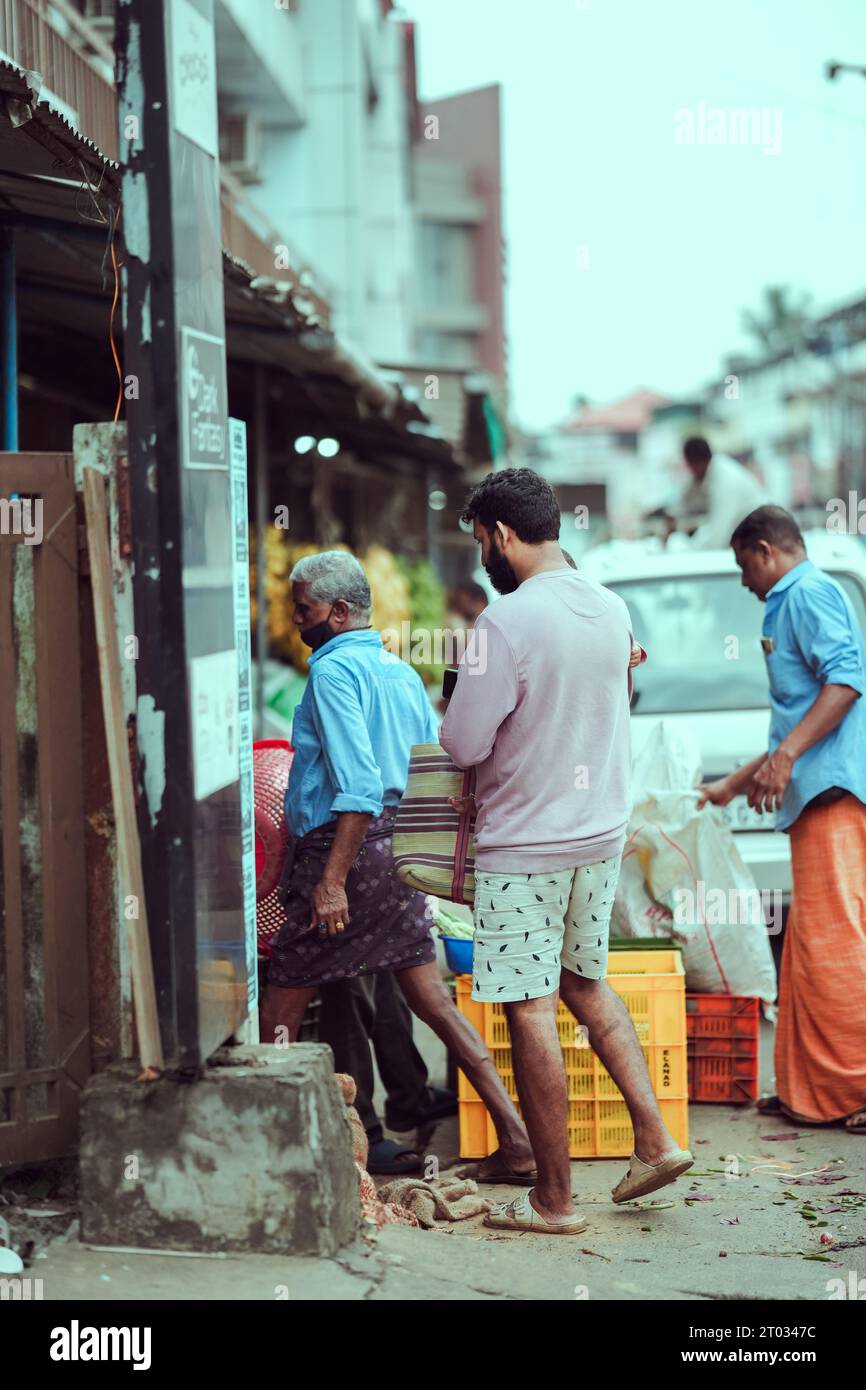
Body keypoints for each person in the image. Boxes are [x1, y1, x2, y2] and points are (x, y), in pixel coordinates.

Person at [439, 468, 693, 1235]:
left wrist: (462, 691)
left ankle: (553, 1201)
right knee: (587, 986)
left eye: (482, 538)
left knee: (530, 1009)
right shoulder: (610, 606)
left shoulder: (504, 623)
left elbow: (462, 742)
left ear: (502, 535)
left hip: (526, 846)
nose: (483, 553)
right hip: (599, 835)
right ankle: (655, 1138)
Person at [259, 550, 536, 1182]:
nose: (296, 620)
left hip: (344, 854)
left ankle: (267, 1155)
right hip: (398, 855)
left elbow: (357, 787)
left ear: (337, 612)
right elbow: (430, 774)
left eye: (303, 610)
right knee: (435, 1005)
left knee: (280, 1008)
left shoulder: (332, 674)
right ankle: (518, 1142)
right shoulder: (398, 671)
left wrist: (331, 881)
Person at [698, 506, 866, 1133]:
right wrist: (733, 785)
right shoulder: (789, 599)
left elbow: (846, 682)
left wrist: (788, 758)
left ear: (767, 551)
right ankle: (810, 1091)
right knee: (807, 947)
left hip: (832, 794)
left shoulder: (809, 592)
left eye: (744, 566)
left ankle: (854, 1089)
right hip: (815, 796)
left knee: (835, 946)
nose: (743, 581)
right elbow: (798, 714)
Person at [675, 436, 765, 549]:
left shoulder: (725, 481)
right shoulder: (705, 473)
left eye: (689, 466)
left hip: (759, 535)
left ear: (694, 463)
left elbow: (719, 536)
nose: (690, 471)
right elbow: (686, 502)